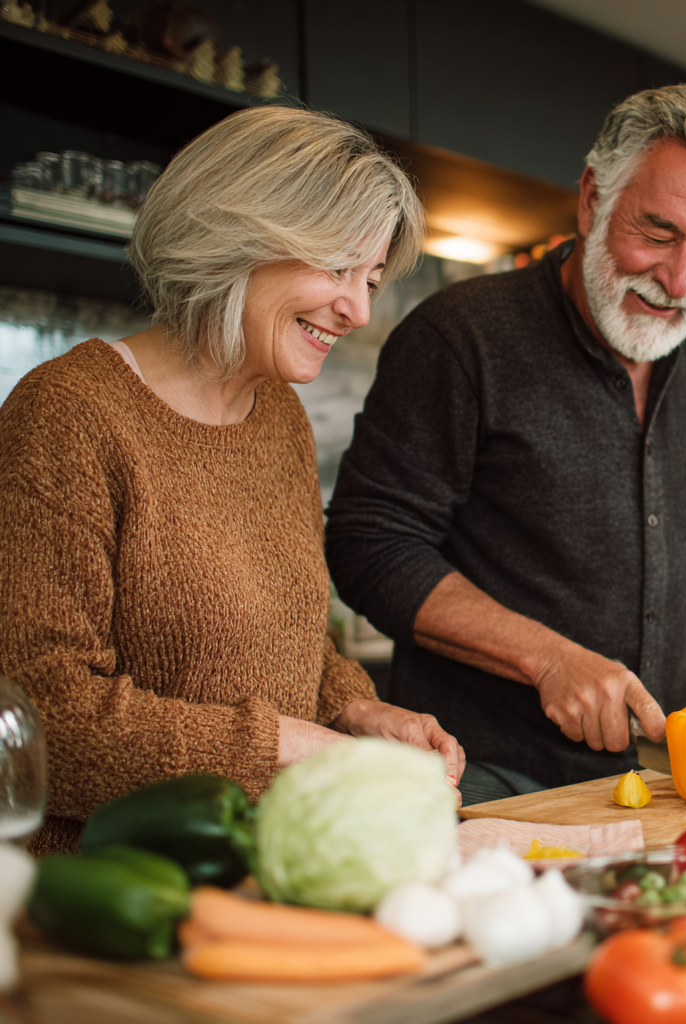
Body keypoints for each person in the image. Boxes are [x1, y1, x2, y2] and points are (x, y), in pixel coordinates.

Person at [326, 85, 686, 804]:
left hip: (665, 777)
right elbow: (369, 543)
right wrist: (546, 659)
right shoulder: (460, 337)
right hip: (479, 775)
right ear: (592, 198)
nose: (679, 279)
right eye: (658, 234)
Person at [0, 107, 464, 854]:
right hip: (109, 899)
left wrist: (355, 711)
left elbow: (291, 643)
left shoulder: (279, 415)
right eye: (339, 267)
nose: (360, 308)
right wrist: (286, 746)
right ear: (239, 234)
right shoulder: (68, 414)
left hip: (263, 865)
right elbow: (44, 716)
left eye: (372, 278)